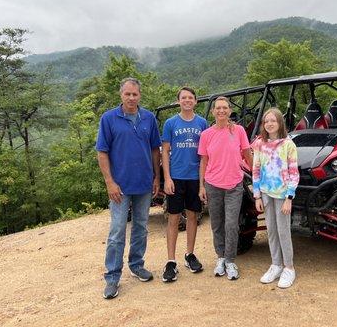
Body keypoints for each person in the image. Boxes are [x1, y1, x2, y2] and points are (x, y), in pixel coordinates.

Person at [96, 77, 161, 299]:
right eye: (127, 94)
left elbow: (155, 150)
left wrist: (156, 177)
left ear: (139, 95)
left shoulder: (149, 118)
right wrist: (110, 183)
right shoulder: (109, 119)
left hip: (144, 183)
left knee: (141, 227)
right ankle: (112, 277)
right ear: (121, 95)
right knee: (116, 232)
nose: (131, 98)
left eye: (135, 94)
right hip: (119, 187)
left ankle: (136, 265)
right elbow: (102, 152)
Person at [198, 96, 252, 280]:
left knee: (231, 224)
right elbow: (204, 161)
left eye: (225, 108)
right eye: (218, 108)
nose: (221, 111)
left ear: (229, 111)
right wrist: (201, 186)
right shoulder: (206, 134)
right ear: (213, 112)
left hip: (234, 185)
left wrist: (257, 176)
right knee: (216, 224)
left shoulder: (238, 131)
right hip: (212, 184)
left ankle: (230, 260)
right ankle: (220, 257)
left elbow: (247, 154)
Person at [161, 87, 208, 282]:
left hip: (195, 177)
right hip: (176, 177)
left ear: (196, 101)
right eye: (183, 98)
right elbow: (164, 151)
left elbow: (205, 154)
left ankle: (189, 254)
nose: (187, 100)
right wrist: (167, 178)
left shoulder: (202, 123)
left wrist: (203, 183)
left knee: (192, 216)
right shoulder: (171, 123)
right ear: (178, 101)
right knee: (173, 218)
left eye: (190, 98)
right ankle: (171, 261)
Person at [252, 107, 299, 288]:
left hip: (282, 194)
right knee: (271, 230)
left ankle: (289, 267)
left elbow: (294, 173)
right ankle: (276, 264)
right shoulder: (259, 144)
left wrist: (289, 197)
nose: (269, 124)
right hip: (265, 193)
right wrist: (257, 196)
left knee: (283, 231)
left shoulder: (288, 144)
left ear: (280, 123)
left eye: (273, 120)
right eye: (266, 121)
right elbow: (255, 170)